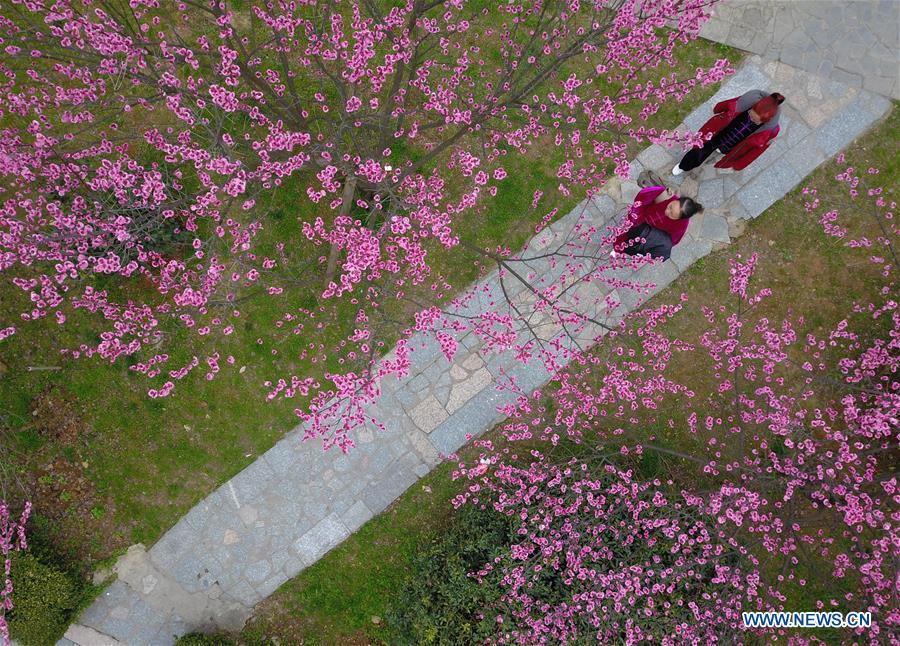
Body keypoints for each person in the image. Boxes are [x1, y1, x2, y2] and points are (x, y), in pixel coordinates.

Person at [672, 91, 785, 175]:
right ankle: (684, 166)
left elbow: (757, 151)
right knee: (698, 153)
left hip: (730, 148)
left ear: (765, 121)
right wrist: (718, 109)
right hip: (716, 136)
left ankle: (716, 153)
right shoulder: (745, 103)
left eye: (756, 120)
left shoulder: (771, 131)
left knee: (712, 156)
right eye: (751, 114)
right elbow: (726, 105)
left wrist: (740, 164)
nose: (751, 118)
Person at [613, 185, 703, 261]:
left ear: (680, 218)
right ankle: (616, 245)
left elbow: (671, 241)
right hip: (636, 220)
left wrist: (651, 238)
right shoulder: (664, 195)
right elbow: (642, 197)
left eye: (672, 214)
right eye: (670, 207)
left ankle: (619, 250)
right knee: (623, 234)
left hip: (645, 234)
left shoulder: (682, 225)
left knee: (630, 242)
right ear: (677, 199)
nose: (667, 211)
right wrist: (636, 218)